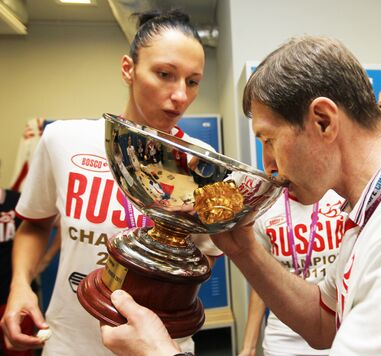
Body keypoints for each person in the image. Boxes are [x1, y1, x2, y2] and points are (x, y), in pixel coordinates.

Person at [100, 36, 381, 355]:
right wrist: (242, 249)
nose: (268, 164)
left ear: (322, 121)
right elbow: (324, 322)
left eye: (269, 139)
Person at [0, 9, 222, 356]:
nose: (180, 95)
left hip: (160, 345)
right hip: (70, 343)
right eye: (165, 74)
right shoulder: (63, 140)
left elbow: (207, 255)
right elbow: (34, 225)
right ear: (128, 69)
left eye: (192, 81)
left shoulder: (202, 162)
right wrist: (19, 285)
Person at [240, 189, 350, 356]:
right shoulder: (266, 208)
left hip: (338, 332)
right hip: (284, 337)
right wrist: (249, 346)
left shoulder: (341, 200)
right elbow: (262, 283)